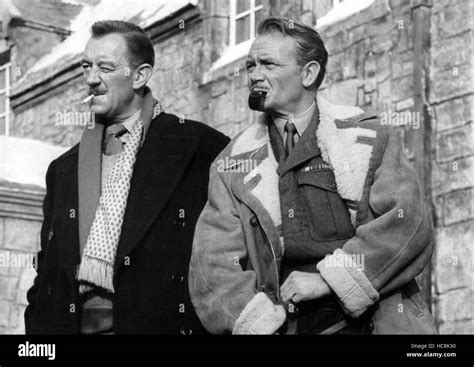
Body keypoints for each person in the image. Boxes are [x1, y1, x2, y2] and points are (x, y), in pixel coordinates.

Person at [188, 16, 437, 335]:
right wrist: (258, 323)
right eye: (251, 66)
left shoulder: (371, 137)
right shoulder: (232, 163)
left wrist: (329, 280)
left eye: (268, 64)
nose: (254, 76)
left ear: (309, 73)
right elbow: (210, 266)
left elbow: (409, 225)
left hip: (377, 322)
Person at [25, 20, 229, 334]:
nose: (91, 79)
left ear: (140, 75)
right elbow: (47, 271)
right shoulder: (63, 168)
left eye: (105, 67)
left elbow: (226, 255)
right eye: (86, 66)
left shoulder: (201, 149)